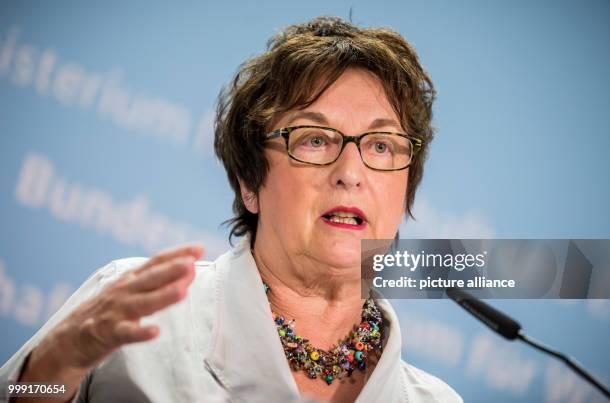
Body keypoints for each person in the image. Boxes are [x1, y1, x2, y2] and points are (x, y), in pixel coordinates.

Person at [0, 16, 462, 403]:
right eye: (314, 140)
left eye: (381, 146)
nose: (351, 171)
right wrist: (54, 367)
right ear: (249, 182)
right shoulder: (130, 315)